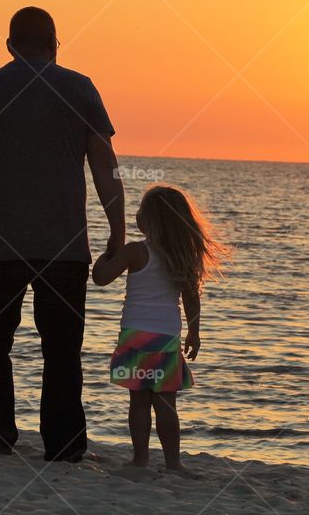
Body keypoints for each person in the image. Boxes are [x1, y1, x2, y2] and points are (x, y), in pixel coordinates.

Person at [0, 6, 124, 462]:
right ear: (56, 44)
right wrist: (117, 234)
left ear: (9, 46)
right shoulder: (80, 89)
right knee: (62, 351)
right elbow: (105, 168)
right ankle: (64, 445)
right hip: (65, 249)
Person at [91, 185, 227, 470]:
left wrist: (105, 255)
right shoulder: (182, 257)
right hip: (166, 339)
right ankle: (173, 463)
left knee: (138, 402)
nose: (137, 214)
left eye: (141, 210)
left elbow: (101, 278)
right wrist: (194, 332)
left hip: (135, 338)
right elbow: (191, 298)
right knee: (166, 405)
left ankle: (140, 459)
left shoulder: (135, 252)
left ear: (149, 220)